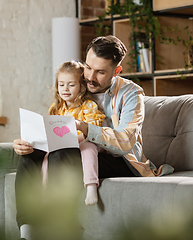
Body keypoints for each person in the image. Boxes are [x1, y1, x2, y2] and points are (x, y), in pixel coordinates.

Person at [13, 35, 174, 240]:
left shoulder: (131, 93)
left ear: (116, 71)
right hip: (79, 150)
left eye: (100, 72)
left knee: (61, 155)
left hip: (120, 160)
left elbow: (126, 141)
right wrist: (29, 141)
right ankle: (26, 232)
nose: (90, 76)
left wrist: (84, 128)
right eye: (88, 67)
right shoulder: (76, 86)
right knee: (30, 154)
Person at [41, 60, 105, 206]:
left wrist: (76, 138)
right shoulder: (56, 108)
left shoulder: (88, 105)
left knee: (87, 147)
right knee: (47, 155)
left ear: (81, 86)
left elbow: (93, 128)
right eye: (61, 84)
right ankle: (44, 192)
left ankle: (91, 185)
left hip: (89, 142)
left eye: (71, 85)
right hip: (66, 146)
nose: (66, 89)